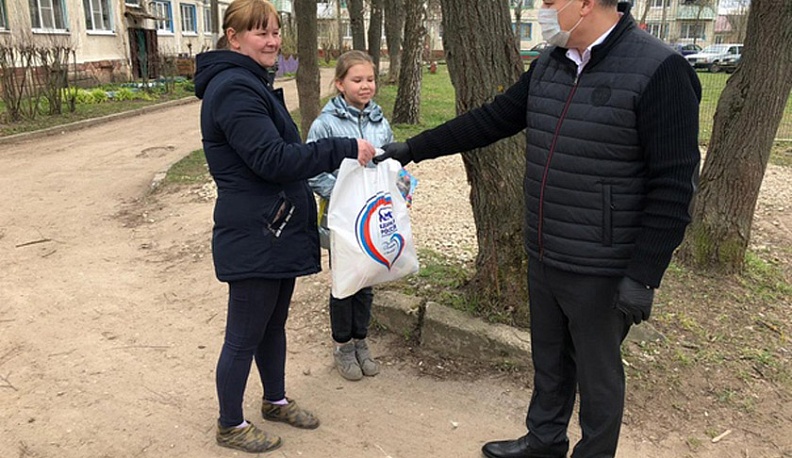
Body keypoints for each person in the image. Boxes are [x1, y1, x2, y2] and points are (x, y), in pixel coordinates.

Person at [374, 1, 701, 457]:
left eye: (550, 1)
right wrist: (413, 148)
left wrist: (644, 274)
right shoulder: (553, 62)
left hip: (601, 264)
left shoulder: (661, 69)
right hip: (546, 248)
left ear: (586, 4)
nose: (543, 8)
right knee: (549, 361)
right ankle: (545, 441)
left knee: (598, 377)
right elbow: (492, 118)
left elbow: (675, 184)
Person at [193, 0, 377, 453]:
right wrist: (342, 147)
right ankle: (230, 425)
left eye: (276, 31)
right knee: (244, 334)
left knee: (273, 325)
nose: (273, 41)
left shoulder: (251, 82)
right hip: (254, 233)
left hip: (271, 229)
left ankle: (274, 400)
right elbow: (271, 160)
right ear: (234, 38)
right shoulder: (234, 88)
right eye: (261, 33)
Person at [306, 50, 394, 381]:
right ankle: (342, 346)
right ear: (340, 84)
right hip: (343, 220)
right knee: (345, 283)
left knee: (367, 281)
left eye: (370, 79)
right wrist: (346, 197)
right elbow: (313, 170)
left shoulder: (380, 123)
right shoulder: (325, 124)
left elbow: (390, 163)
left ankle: (361, 341)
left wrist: (400, 191)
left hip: (372, 222)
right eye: (357, 80)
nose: (365, 85)